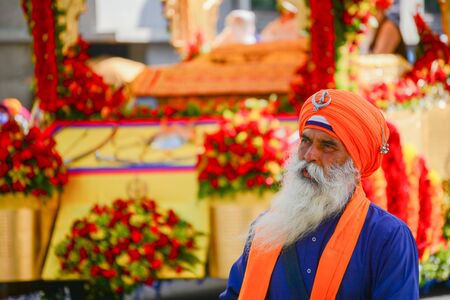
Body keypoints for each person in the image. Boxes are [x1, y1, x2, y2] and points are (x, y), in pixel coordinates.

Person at [220, 89, 419, 299]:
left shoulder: (387, 237)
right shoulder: (266, 228)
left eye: (328, 146)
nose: (310, 155)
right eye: (306, 141)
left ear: (354, 163)